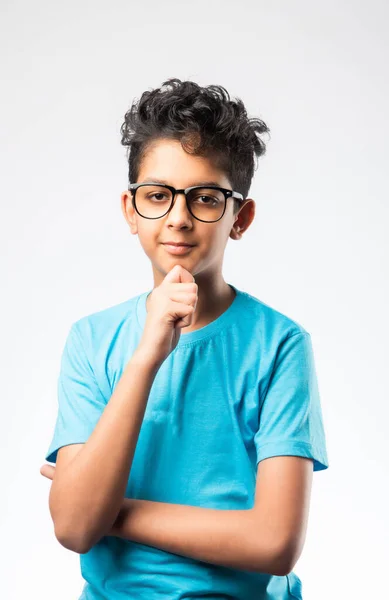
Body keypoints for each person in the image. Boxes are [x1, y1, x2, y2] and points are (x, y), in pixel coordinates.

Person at [41, 77, 329, 600]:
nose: (178, 217)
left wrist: (114, 512)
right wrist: (147, 356)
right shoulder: (92, 340)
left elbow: (275, 543)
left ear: (239, 218)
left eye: (204, 198)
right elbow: (75, 528)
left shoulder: (280, 345)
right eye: (158, 195)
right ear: (132, 210)